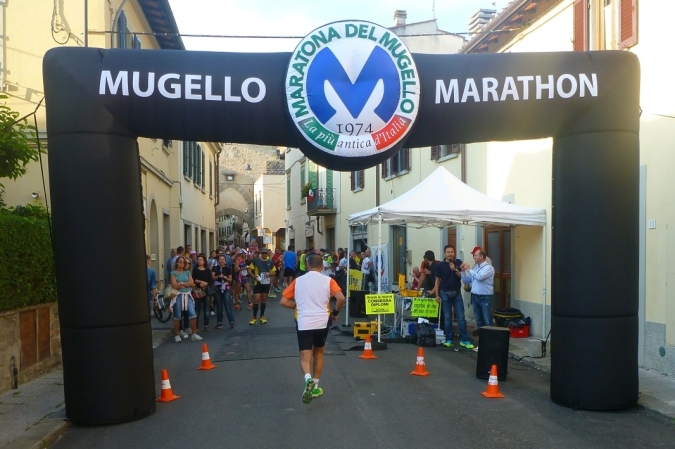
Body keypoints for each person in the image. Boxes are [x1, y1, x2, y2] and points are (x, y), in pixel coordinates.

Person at [280, 253, 345, 404]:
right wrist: (335, 313)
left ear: (308, 265)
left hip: (304, 322)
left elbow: (283, 301)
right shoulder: (328, 280)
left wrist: (296, 306)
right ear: (322, 267)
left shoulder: (298, 281)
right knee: (319, 353)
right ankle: (315, 386)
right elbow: (341, 298)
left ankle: (307, 378)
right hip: (322, 322)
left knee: (305, 356)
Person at [434, 245, 474, 349]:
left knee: (461, 317)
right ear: (444, 254)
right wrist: (437, 294)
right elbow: (437, 280)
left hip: (456, 293)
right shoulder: (440, 265)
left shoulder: (458, 263)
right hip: (444, 293)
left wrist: (454, 269)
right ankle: (449, 339)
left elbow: (462, 276)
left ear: (454, 253)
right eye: (448, 252)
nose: (450, 254)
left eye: (452, 252)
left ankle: (465, 340)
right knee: (447, 318)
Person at [170, 256, 203, 343]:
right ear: (177, 263)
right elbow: (174, 285)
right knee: (177, 316)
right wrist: (186, 284)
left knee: (193, 314)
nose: (182, 263)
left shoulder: (187, 272)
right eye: (180, 262)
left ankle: (194, 334)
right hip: (178, 295)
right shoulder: (173, 273)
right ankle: (177, 335)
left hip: (187, 295)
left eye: (183, 262)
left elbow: (192, 283)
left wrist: (181, 283)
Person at [461, 249, 496, 332]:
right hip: (475, 296)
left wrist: (469, 269)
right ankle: (481, 334)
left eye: (475, 255)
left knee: (487, 319)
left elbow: (480, 277)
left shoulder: (488, 268)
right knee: (478, 319)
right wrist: (462, 271)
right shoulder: (476, 268)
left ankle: (490, 336)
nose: (474, 257)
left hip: (485, 297)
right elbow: (466, 281)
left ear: (481, 257)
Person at [248, 248, 276, 325]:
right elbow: (249, 269)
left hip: (266, 283)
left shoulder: (270, 262)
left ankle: (262, 316)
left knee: (264, 299)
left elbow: (274, 272)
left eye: (265, 253)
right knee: (257, 299)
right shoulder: (256, 261)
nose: (264, 254)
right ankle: (254, 317)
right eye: (263, 253)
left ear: (267, 254)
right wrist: (254, 276)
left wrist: (269, 274)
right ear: (261, 253)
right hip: (258, 282)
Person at [212, 254, 235, 329]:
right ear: (218, 261)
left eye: (223, 259)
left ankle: (231, 321)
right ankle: (219, 322)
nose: (221, 261)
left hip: (226, 287)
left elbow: (230, 279)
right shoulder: (215, 268)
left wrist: (225, 278)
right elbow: (212, 277)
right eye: (220, 259)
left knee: (227, 305)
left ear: (225, 261)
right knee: (219, 305)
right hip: (217, 287)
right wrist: (218, 276)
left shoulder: (227, 269)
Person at [192, 254, 212, 331]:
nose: (199, 261)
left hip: (206, 291)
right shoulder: (195, 270)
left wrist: (206, 283)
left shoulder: (207, 270)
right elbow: (193, 279)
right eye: (198, 260)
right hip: (197, 291)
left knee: (206, 309)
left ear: (204, 261)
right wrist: (200, 282)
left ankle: (206, 324)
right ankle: (196, 327)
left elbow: (210, 280)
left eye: (201, 260)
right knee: (197, 309)